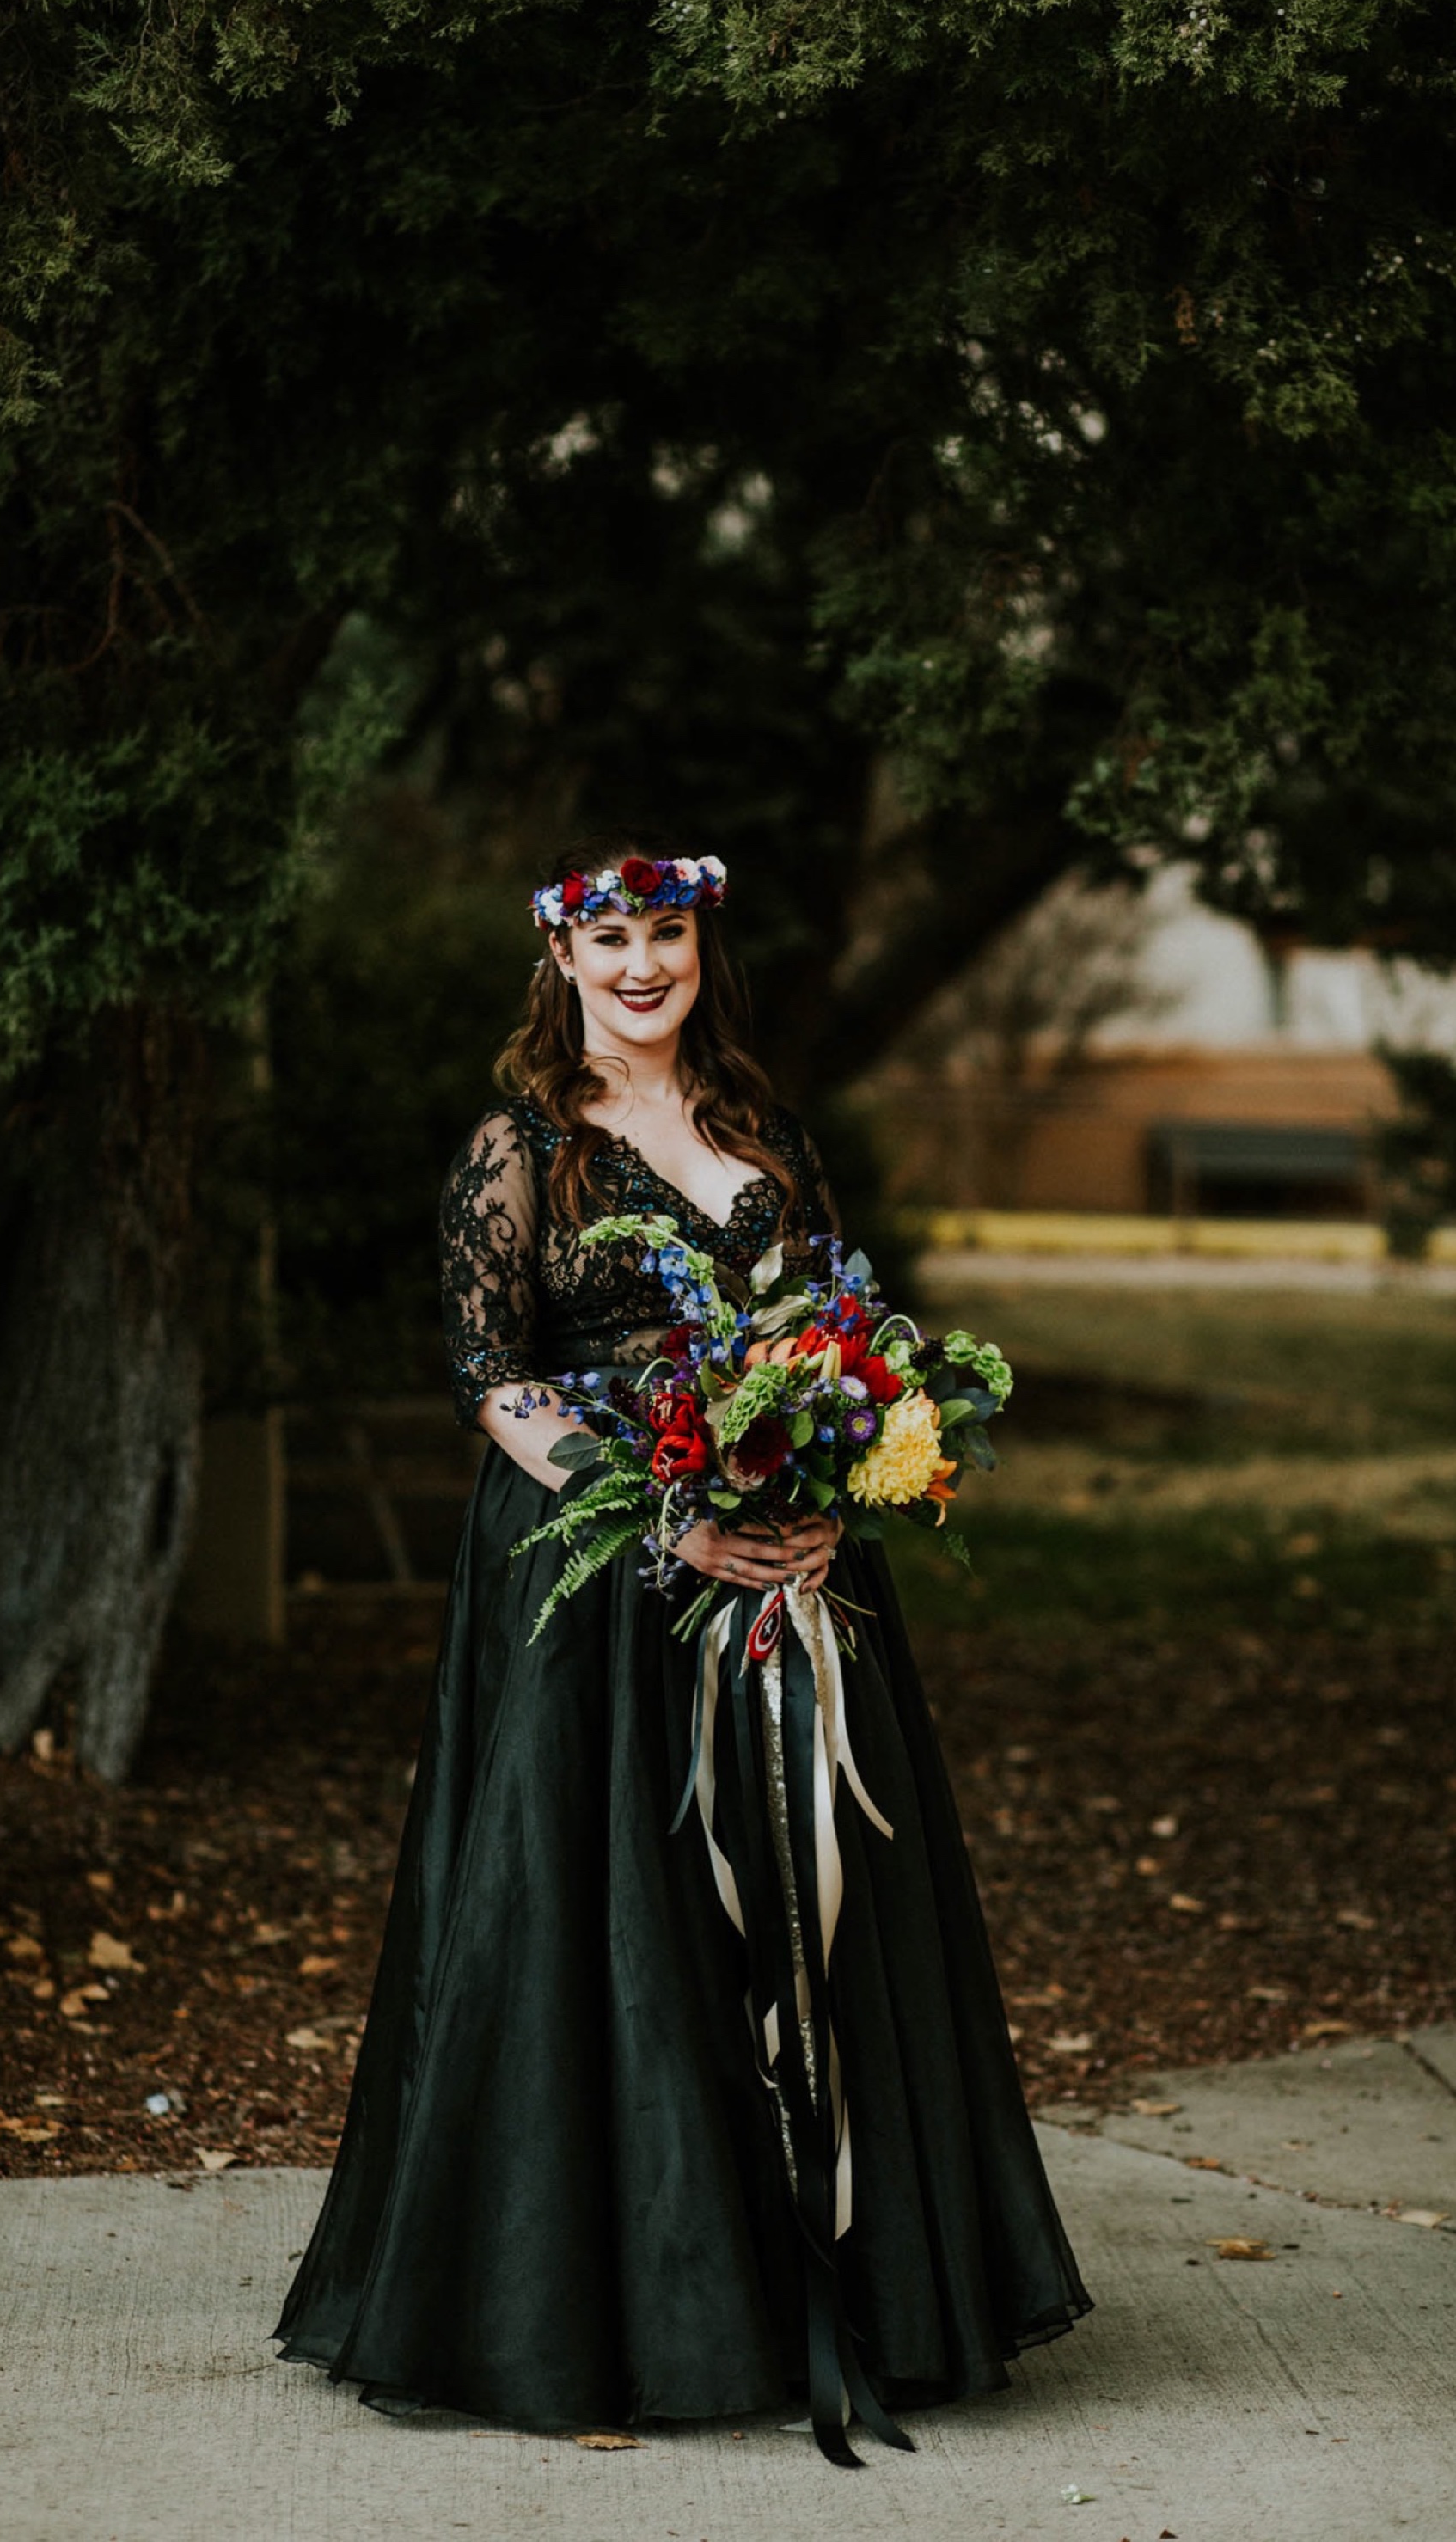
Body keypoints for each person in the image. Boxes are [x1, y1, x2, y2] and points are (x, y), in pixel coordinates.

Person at [275, 841, 1092, 2462]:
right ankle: (625, 2309)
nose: (641, 964)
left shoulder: (759, 1128)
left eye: (666, 933)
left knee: (817, 1911)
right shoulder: (519, 1146)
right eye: (610, 940)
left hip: (793, 1569)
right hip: (597, 1585)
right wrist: (665, 1515)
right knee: (619, 1930)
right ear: (560, 962)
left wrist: (844, 1483)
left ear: (699, 946)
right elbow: (493, 1383)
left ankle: (851, 2285)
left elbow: (837, 1340)